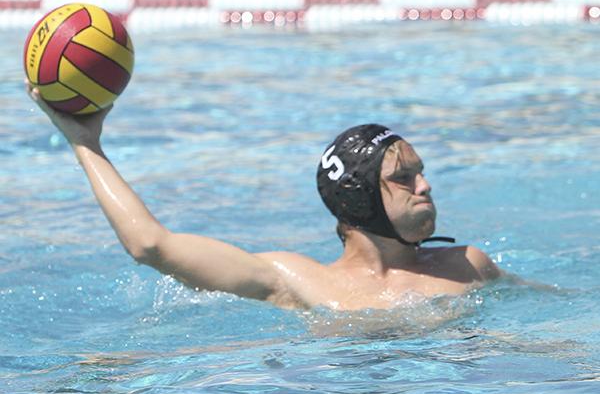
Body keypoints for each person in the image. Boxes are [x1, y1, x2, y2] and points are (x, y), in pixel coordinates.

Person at [27, 83, 502, 311]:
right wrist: (84, 143)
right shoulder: (295, 280)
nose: (425, 185)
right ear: (359, 199)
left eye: (421, 173)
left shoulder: (467, 265)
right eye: (405, 178)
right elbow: (151, 246)